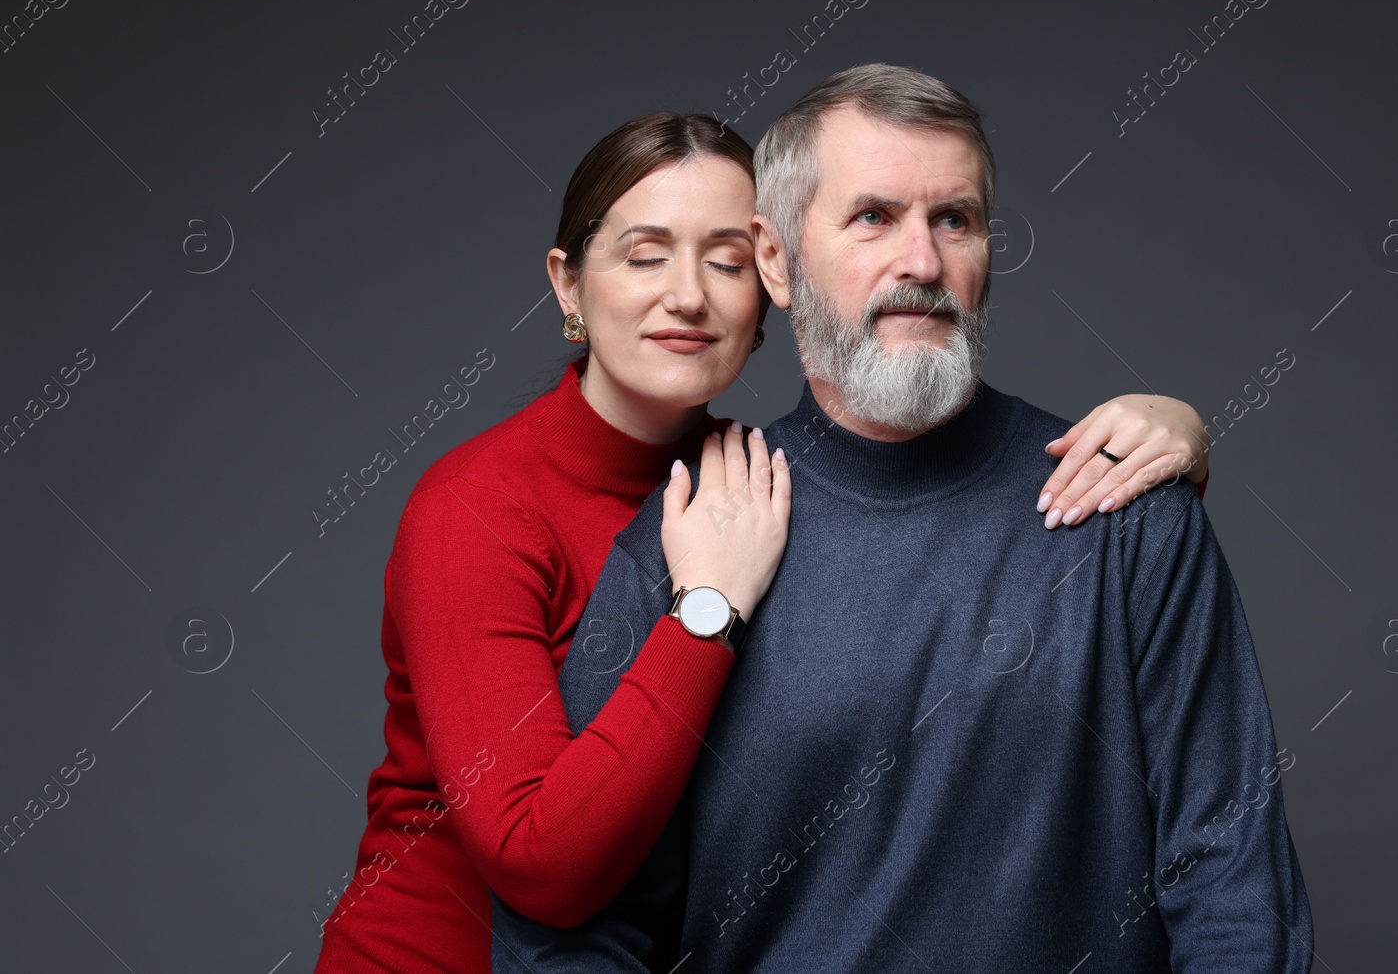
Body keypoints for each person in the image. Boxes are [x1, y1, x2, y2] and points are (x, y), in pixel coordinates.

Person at [313, 107, 1213, 974]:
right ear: (567, 284)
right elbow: (536, 860)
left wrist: (1176, 426)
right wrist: (709, 609)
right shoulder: (477, 509)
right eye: (645, 254)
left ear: (776, 279)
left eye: (728, 261)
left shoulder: (751, 483)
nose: (688, 296)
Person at [494, 65, 1311, 973]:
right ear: (776, 260)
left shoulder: (1125, 512)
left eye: (953, 219)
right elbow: (569, 933)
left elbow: (1234, 886)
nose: (922, 263)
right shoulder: (691, 540)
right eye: (874, 217)